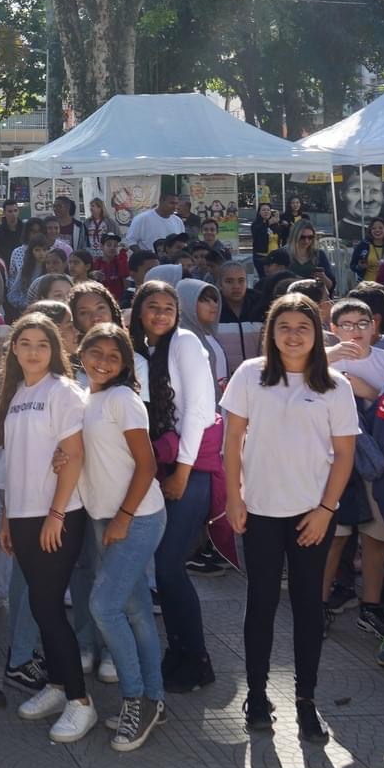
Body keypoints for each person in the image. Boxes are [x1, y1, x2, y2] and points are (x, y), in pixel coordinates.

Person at [221, 294, 357, 742]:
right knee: (259, 604)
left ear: (317, 333)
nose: (293, 334)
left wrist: (326, 510)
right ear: (271, 332)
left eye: (304, 326)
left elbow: (343, 456)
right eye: (284, 326)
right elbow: (232, 442)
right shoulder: (249, 375)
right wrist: (234, 498)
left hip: (311, 514)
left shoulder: (335, 386)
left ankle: (306, 700)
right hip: (259, 509)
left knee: (307, 608)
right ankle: (257, 695)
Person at [0, 312, 98, 743]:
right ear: (13, 349)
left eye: (42, 343)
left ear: (56, 349)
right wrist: (5, 516)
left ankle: (80, 701)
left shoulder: (64, 392)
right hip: (21, 514)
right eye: (25, 343)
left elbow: (73, 455)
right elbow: (12, 456)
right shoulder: (16, 390)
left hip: (56, 516)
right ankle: (57, 686)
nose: (33, 351)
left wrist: (56, 514)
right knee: (40, 606)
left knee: (50, 607)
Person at [76, 323, 167, 750]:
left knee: (103, 605)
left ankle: (136, 700)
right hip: (105, 516)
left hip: (136, 517)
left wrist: (124, 517)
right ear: (81, 352)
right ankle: (155, 697)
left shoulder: (123, 399)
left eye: (114, 357)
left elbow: (146, 466)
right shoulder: (88, 398)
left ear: (126, 365)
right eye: (96, 352)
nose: (103, 362)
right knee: (134, 611)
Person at [125, 281, 218, 694]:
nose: (161, 314)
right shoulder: (142, 349)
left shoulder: (185, 344)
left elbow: (200, 409)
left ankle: (196, 658)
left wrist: (182, 470)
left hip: (190, 466)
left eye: (168, 307)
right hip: (161, 463)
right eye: (152, 306)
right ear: (139, 311)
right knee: (164, 567)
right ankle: (179, 651)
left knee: (169, 565)